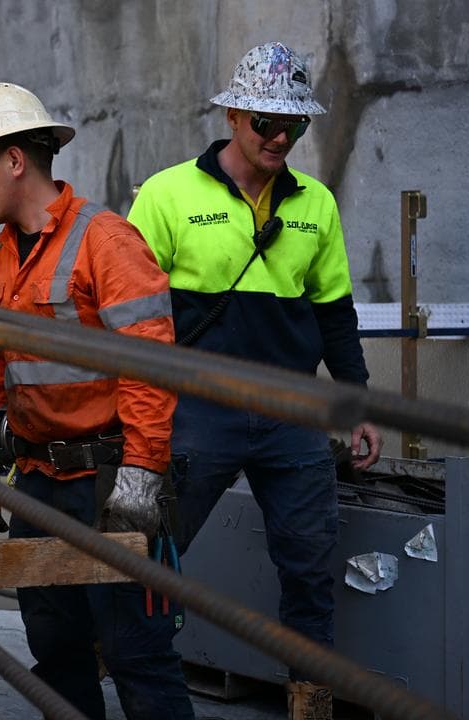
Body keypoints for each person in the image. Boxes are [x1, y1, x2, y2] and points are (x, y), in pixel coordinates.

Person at [127, 42, 382, 719]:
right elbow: (128, 313)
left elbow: (334, 314)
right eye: (266, 123)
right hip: (197, 410)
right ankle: (140, 687)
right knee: (153, 554)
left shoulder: (316, 204)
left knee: (309, 567)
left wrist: (355, 404)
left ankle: (310, 702)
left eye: (293, 126)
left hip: (292, 414)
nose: (279, 138)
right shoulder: (166, 195)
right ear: (234, 116)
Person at [0, 82, 194, 719]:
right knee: (55, 651)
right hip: (38, 482)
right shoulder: (2, 258)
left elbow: (150, 365)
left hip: (106, 481)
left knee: (136, 652)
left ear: (13, 160)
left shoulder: (105, 241)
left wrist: (142, 472)